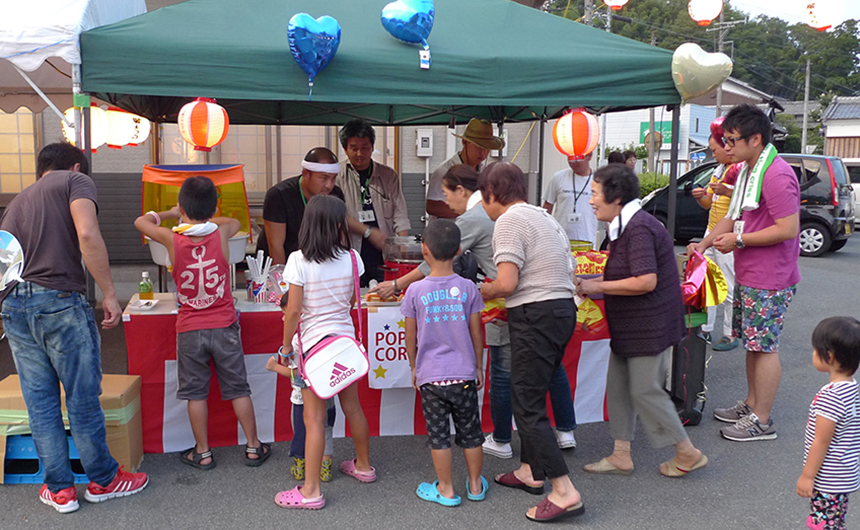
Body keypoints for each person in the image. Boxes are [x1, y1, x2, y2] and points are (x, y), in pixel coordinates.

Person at [373, 165, 579, 458]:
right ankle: (565, 431)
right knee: (552, 368)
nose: (447, 204)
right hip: (559, 303)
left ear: (465, 191)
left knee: (505, 374)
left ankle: (504, 440)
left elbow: (437, 261)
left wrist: (397, 284)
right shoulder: (537, 213)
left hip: (512, 302)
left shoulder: (478, 217)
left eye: (447, 195)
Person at [1, 143, 148, 513]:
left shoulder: (17, 203)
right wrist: (110, 294)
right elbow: (87, 234)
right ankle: (104, 479)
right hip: (59, 300)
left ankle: (60, 490)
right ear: (77, 166)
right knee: (82, 396)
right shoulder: (75, 181)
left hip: (15, 305)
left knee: (41, 402)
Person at [576, 164, 708, 479]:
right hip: (632, 324)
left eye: (595, 194)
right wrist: (591, 278)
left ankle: (686, 452)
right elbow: (628, 273)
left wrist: (598, 286)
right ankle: (621, 454)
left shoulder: (637, 228)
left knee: (645, 390)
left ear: (616, 197)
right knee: (619, 385)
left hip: (650, 325)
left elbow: (645, 281)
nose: (591, 201)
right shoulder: (626, 225)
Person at [135, 176, 271, 471]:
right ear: (214, 208)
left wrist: (172, 214)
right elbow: (233, 222)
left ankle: (203, 451)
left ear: (183, 206)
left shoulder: (173, 238)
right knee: (238, 388)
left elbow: (140, 223)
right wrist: (205, 216)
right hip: (224, 324)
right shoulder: (221, 234)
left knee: (195, 392)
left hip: (189, 328)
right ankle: (253, 446)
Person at [688, 103, 801, 442]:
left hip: (771, 276)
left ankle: (762, 420)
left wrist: (739, 239)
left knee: (764, 347)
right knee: (753, 343)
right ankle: (752, 405)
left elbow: (788, 228)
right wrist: (704, 243)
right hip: (752, 272)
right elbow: (732, 214)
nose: (728, 147)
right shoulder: (747, 170)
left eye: (733, 140)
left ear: (755, 139)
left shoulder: (776, 174)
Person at [478, 162, 584, 522]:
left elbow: (507, 283)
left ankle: (564, 489)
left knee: (526, 402)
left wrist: (485, 289)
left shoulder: (507, 221)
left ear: (492, 194)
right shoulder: (542, 216)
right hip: (561, 310)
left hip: (535, 315)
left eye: (483, 198)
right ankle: (529, 470)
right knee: (534, 393)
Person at [274, 195, 375, 510]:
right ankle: (363, 466)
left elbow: (293, 311)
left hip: (314, 350)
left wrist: (286, 346)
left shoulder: (298, 261)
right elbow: (349, 302)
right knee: (353, 408)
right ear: (339, 226)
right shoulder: (352, 259)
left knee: (314, 418)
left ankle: (311, 490)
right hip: (344, 343)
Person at [401, 219, 487, 506]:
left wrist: (414, 367)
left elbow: (409, 337)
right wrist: (478, 366)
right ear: (460, 250)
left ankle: (446, 489)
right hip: (463, 375)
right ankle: (475, 485)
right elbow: (477, 333)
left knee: (439, 437)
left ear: (423, 251)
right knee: (472, 433)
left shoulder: (414, 291)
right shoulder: (468, 288)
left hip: (431, 378)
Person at [797, 317, 860, 530]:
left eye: (816, 350)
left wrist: (807, 476)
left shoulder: (831, 397)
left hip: (828, 478)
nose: (813, 354)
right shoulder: (851, 387)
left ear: (830, 356)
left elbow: (821, 441)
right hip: (843, 473)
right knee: (834, 520)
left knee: (823, 524)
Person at [266, 294, 337, 483]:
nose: (284, 319)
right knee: (326, 429)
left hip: (302, 398)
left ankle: (300, 465)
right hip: (327, 393)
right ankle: (326, 468)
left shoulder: (299, 340)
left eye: (287, 314)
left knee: (302, 430)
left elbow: (299, 376)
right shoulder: (326, 334)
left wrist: (275, 367)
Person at [336, 118, 411, 286]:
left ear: (372, 147)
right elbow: (336, 216)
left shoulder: (388, 175)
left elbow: (400, 215)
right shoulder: (337, 176)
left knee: (387, 299)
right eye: (354, 148)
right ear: (345, 149)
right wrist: (368, 232)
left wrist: (401, 248)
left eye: (365, 148)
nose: (360, 154)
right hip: (350, 255)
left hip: (384, 256)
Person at [690, 118, 740, 350]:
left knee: (729, 285)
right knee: (706, 281)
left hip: (729, 232)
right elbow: (708, 203)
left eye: (715, 150)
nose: (715, 154)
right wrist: (701, 195)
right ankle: (706, 328)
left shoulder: (740, 169)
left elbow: (746, 202)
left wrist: (727, 190)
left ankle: (730, 333)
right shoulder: (718, 170)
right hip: (711, 230)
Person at [256, 148, 345, 265]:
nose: (329, 185)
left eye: (333, 178)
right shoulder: (279, 195)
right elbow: (275, 246)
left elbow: (339, 238)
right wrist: (282, 280)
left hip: (314, 266)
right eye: (324, 178)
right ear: (306, 174)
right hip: (281, 264)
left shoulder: (335, 195)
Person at [425, 118, 505, 219]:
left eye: (487, 148)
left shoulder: (485, 172)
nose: (483, 153)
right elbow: (432, 207)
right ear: (464, 142)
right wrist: (471, 212)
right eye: (478, 147)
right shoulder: (444, 171)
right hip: (448, 231)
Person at [543, 152, 599, 247]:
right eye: (570, 157)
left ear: (589, 156)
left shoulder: (599, 181)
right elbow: (548, 206)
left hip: (587, 240)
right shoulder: (558, 177)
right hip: (560, 241)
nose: (573, 162)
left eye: (577, 158)